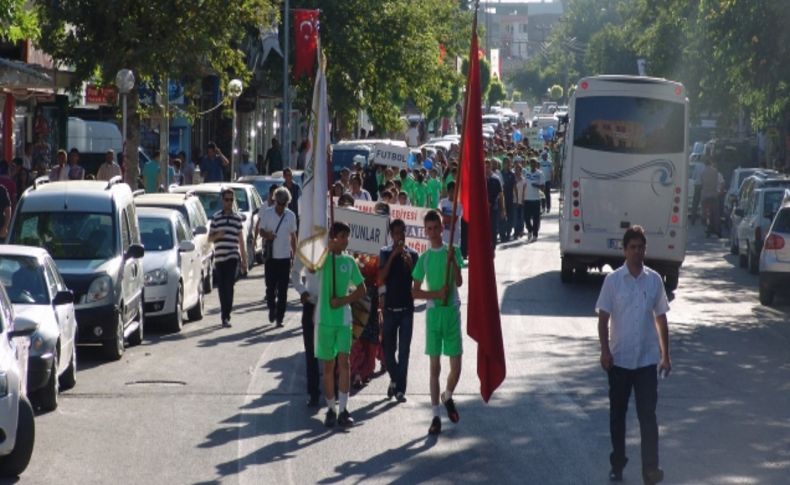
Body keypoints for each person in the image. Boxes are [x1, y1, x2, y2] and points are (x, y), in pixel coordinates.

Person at [596, 225, 671, 485]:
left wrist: (665, 355)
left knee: (647, 417)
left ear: (645, 250)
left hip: (647, 361)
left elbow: (661, 318)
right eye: (632, 247)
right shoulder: (613, 281)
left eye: (641, 247)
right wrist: (605, 350)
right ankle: (618, 462)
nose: (637, 252)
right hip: (619, 361)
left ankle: (651, 469)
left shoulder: (654, 280)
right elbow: (603, 318)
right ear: (624, 250)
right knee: (618, 416)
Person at [411, 209, 464, 435]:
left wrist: (452, 262)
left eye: (436, 228)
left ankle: (447, 396)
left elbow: (459, 281)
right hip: (434, 315)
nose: (432, 233)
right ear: (425, 231)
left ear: (442, 228)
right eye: (429, 229)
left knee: (456, 366)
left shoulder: (454, 251)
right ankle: (435, 416)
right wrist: (435, 294)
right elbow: (414, 292)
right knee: (435, 367)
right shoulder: (424, 258)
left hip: (451, 313)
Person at [316, 222, 367, 428]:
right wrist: (326, 248)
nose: (345, 240)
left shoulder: (349, 261)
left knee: (344, 362)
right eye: (342, 236)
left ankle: (344, 409)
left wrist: (343, 301)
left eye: (347, 236)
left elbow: (361, 289)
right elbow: (310, 265)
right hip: (325, 320)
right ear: (334, 237)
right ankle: (330, 409)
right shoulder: (323, 258)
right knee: (329, 366)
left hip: (344, 320)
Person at [378, 219, 419, 402]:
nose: (399, 237)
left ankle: (401, 389)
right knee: (388, 351)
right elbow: (380, 278)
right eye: (396, 233)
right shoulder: (385, 253)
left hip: (406, 310)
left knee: (404, 351)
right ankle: (394, 379)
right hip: (389, 309)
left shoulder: (413, 254)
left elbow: (417, 280)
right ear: (391, 235)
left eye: (402, 233)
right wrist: (394, 256)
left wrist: (410, 264)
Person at [208, 188, 248, 327]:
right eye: (227, 199)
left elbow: (241, 241)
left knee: (229, 285)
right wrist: (217, 235)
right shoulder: (216, 218)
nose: (229, 202)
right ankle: (224, 314)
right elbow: (209, 238)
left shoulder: (237, 218)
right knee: (222, 288)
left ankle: (226, 315)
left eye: (231, 200)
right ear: (222, 200)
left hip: (232, 257)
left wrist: (244, 260)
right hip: (219, 258)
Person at [258, 187, 297, 327]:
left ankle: (280, 317)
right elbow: (260, 230)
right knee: (270, 288)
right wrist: (267, 235)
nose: (280, 206)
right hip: (271, 257)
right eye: (278, 203)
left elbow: (293, 236)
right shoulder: (268, 213)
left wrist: (295, 254)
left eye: (283, 204)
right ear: (275, 201)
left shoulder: (291, 216)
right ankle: (271, 309)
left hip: (285, 258)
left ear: (287, 203)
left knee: (283, 290)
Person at [291, 256, 321, 407]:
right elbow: (295, 273)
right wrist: (302, 291)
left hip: (331, 305)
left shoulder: (335, 248)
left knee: (334, 352)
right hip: (311, 305)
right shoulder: (307, 249)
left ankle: (334, 390)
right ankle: (313, 392)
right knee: (311, 351)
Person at [700, 158, 723, 238]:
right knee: (716, 213)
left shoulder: (702, 172)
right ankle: (718, 230)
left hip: (705, 195)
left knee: (705, 212)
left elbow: (701, 183)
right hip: (714, 194)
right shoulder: (715, 171)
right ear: (710, 163)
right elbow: (718, 182)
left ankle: (707, 227)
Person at [485, 160, 505, 248]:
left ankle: (493, 247)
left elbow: (501, 195)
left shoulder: (496, 179)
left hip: (494, 208)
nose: (486, 169)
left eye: (488, 167)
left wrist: (503, 210)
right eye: (485, 167)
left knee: (493, 229)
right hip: (483, 210)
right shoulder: (479, 179)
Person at [524, 158, 545, 242]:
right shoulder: (527, 173)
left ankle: (535, 234)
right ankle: (530, 230)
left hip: (536, 199)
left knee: (536, 219)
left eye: (534, 163)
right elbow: (524, 185)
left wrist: (536, 185)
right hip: (527, 199)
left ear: (536, 164)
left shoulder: (540, 174)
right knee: (526, 218)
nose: (532, 165)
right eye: (531, 163)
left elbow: (543, 187)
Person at [439, 181, 462, 246]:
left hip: (454, 237)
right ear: (448, 191)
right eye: (451, 191)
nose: (453, 193)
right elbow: (437, 216)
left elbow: (453, 220)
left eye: (455, 191)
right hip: (443, 236)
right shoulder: (442, 202)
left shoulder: (459, 205)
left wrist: (441, 214)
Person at [500, 158, 516, 242]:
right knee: (502, 216)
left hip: (510, 197)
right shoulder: (500, 173)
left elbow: (514, 186)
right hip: (502, 197)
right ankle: (502, 234)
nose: (507, 164)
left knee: (510, 216)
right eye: (505, 163)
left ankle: (508, 233)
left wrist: (516, 198)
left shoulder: (512, 174)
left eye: (508, 163)